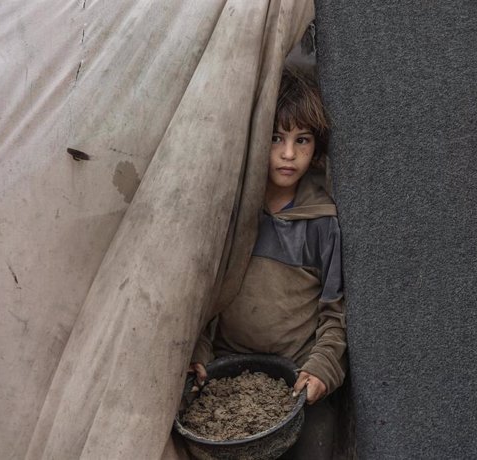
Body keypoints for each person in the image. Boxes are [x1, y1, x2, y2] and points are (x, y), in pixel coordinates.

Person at [189, 67, 347, 458]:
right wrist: (199, 358)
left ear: (317, 148)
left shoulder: (322, 222)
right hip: (226, 374)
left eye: (302, 140)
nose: (288, 153)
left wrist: (321, 369)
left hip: (296, 378)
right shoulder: (233, 213)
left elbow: (336, 312)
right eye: (275, 137)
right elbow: (203, 302)